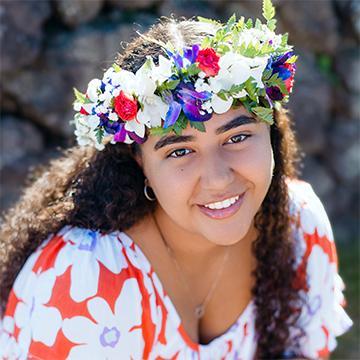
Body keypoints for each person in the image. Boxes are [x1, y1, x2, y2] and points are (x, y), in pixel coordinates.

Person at [0, 1, 353, 359]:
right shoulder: (83, 279)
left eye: (237, 137)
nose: (217, 179)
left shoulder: (298, 228)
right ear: (140, 164)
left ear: (271, 133)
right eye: (179, 151)